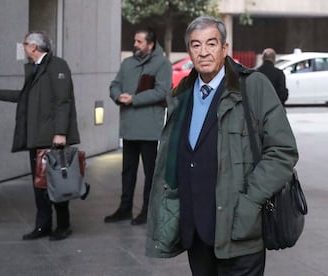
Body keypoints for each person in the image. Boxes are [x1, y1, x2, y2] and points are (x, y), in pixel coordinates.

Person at [146, 16, 298, 275]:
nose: (203, 52)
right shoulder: (181, 94)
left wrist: (250, 202)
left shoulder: (252, 86)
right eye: (196, 45)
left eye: (211, 44)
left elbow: (282, 150)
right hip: (195, 231)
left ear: (224, 48)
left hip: (240, 229)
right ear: (189, 51)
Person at [0, 31, 80, 241]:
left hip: (51, 136)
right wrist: (0, 93)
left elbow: (63, 101)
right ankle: (43, 225)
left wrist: (60, 132)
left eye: (25, 44)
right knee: (40, 183)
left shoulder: (57, 66)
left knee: (56, 181)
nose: (23, 47)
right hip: (36, 136)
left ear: (34, 47)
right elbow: (26, 97)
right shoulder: (36, 68)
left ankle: (63, 225)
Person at [106, 28, 172, 225]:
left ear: (150, 44)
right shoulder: (127, 63)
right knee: (127, 171)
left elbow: (162, 92)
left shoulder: (162, 64)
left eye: (139, 42)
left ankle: (147, 210)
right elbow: (114, 85)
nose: (135, 44)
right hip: (129, 127)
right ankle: (125, 208)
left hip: (150, 129)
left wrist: (133, 99)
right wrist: (118, 95)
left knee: (150, 173)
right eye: (135, 41)